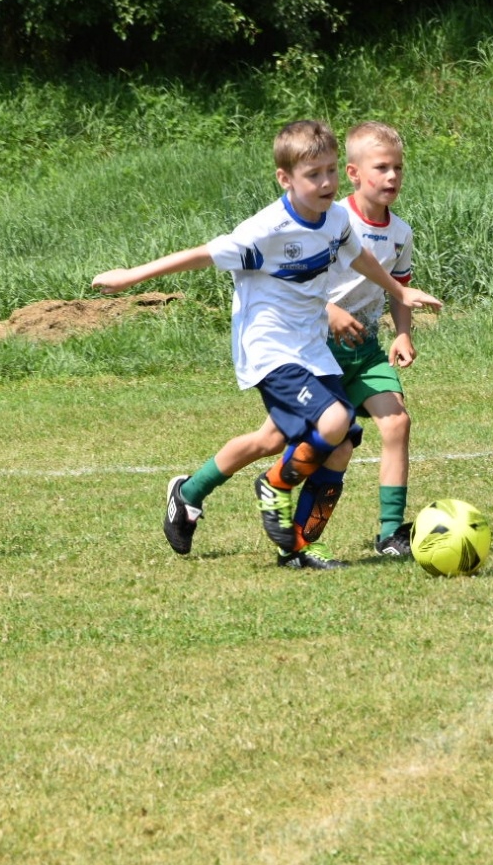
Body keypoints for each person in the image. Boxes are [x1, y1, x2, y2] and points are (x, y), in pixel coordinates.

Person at [90, 120, 442, 569]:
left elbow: (357, 256)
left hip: (311, 346)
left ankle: (289, 543)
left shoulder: (336, 218)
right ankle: (275, 486)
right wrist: (131, 276)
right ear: (286, 178)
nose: (326, 182)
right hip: (271, 348)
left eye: (331, 171)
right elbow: (201, 254)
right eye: (314, 174)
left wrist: (399, 291)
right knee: (329, 421)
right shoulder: (267, 230)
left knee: (337, 443)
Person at [214, 121, 422, 559]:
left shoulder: (400, 232)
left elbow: (397, 283)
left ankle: (389, 534)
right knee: (271, 441)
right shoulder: (327, 218)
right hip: (314, 348)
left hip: (362, 352)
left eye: (398, 168)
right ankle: (194, 490)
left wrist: (402, 331)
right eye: (381, 167)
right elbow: (299, 284)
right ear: (352, 172)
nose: (392, 177)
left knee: (395, 423)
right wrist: (330, 312)